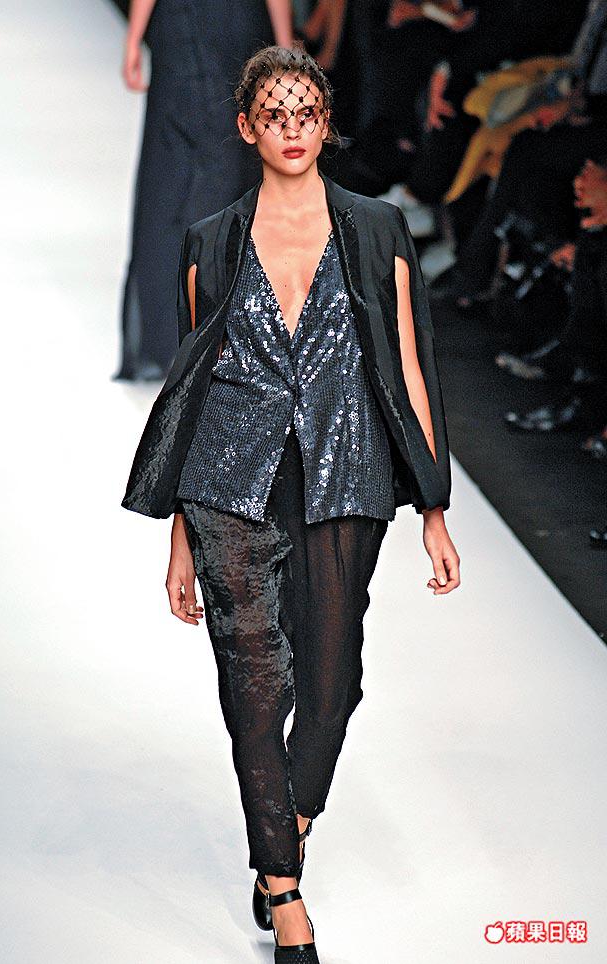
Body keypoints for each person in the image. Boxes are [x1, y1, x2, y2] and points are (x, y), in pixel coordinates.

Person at [121, 45, 461, 961]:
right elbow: (192, 387)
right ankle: (284, 890)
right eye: (273, 115)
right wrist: (181, 538)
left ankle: (288, 824)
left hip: (348, 471)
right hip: (229, 480)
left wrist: (433, 506)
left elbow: (411, 369)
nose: (292, 130)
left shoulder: (377, 229)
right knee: (255, 684)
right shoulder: (212, 240)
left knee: (333, 687)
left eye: (305, 112)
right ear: (247, 128)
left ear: (325, 121)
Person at [113, 0, 292, 382]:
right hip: (237, 29)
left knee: (169, 179)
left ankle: (168, 340)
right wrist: (285, 48)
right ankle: (223, 341)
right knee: (229, 171)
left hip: (182, 27)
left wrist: (133, 38)